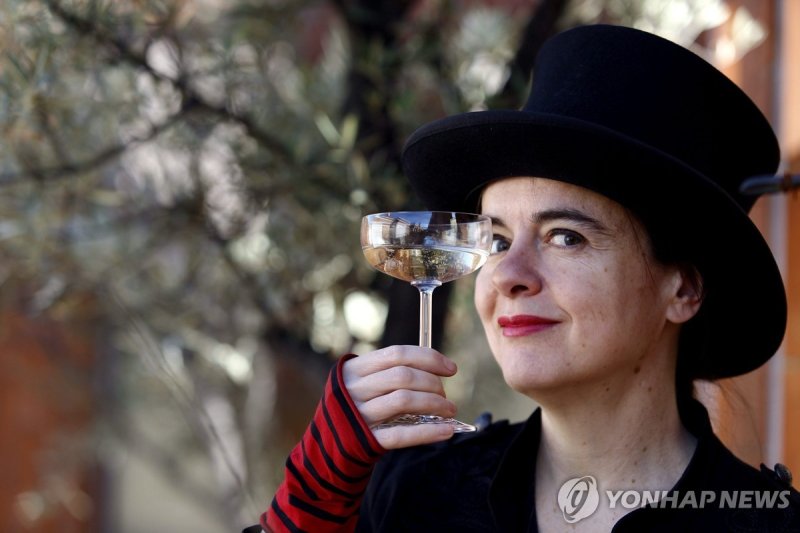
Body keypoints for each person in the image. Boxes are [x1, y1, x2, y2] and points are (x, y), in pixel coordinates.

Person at [247, 24, 800, 532]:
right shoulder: (414, 494)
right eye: (499, 241)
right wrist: (315, 491)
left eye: (566, 237)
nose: (508, 275)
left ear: (683, 288)